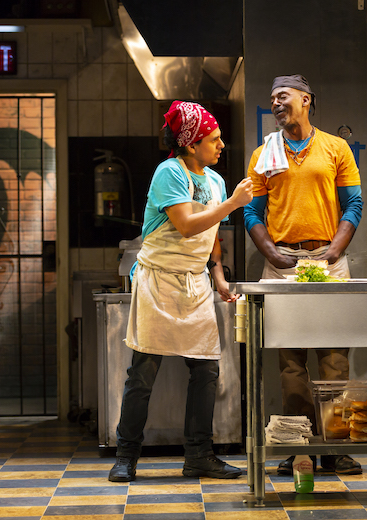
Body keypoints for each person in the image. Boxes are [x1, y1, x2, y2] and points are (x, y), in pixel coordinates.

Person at [108, 101, 254, 482]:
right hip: (159, 281)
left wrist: (218, 275)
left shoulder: (216, 181)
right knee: (143, 373)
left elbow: (211, 235)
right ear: (190, 144)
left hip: (195, 283)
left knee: (206, 370)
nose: (221, 145)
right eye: (214, 139)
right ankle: (126, 455)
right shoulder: (169, 172)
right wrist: (234, 204)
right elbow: (187, 225)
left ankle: (199, 455)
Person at [243, 74, 364, 476]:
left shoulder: (336, 148)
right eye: (272, 98)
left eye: (283, 96)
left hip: (328, 260)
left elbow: (353, 204)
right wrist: (270, 253)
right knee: (290, 359)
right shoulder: (264, 154)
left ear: (306, 100)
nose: (276, 103)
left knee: (335, 357)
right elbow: (251, 212)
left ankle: (334, 446)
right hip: (282, 263)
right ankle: (298, 446)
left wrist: (336, 248)